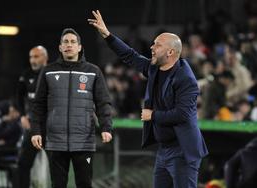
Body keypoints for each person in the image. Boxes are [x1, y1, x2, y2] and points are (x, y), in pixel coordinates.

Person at [88, 10, 208, 188]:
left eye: (157, 45)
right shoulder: (154, 68)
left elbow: (182, 114)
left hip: (183, 150)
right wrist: (108, 35)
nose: (152, 47)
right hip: (164, 150)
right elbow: (130, 56)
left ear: (170, 52)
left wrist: (153, 115)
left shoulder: (186, 79)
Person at [31, 28, 113, 188]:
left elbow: (103, 102)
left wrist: (106, 127)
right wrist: (36, 131)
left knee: (84, 183)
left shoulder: (93, 71)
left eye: (73, 42)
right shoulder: (48, 71)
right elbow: (38, 105)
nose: (69, 45)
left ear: (80, 47)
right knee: (58, 184)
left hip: (84, 141)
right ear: (60, 47)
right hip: (55, 141)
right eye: (65, 42)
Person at [16, 45, 48, 188]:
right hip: (32, 127)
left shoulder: (52, 74)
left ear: (45, 58)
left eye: (36, 56)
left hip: (50, 127)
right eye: (31, 57)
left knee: (58, 165)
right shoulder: (26, 74)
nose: (32, 60)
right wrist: (22, 116)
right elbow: (18, 96)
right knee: (23, 163)